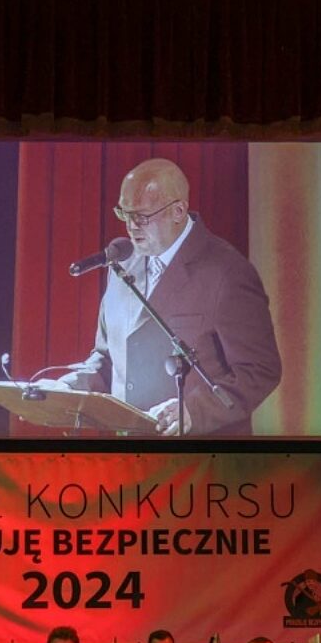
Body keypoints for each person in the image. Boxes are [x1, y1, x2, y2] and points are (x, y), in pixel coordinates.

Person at [56, 157, 282, 437]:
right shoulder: (121, 264)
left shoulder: (227, 271)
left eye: (142, 216)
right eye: (124, 213)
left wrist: (194, 411)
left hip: (199, 453)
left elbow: (260, 369)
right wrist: (68, 387)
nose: (131, 226)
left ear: (178, 211)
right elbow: (107, 358)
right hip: (129, 452)